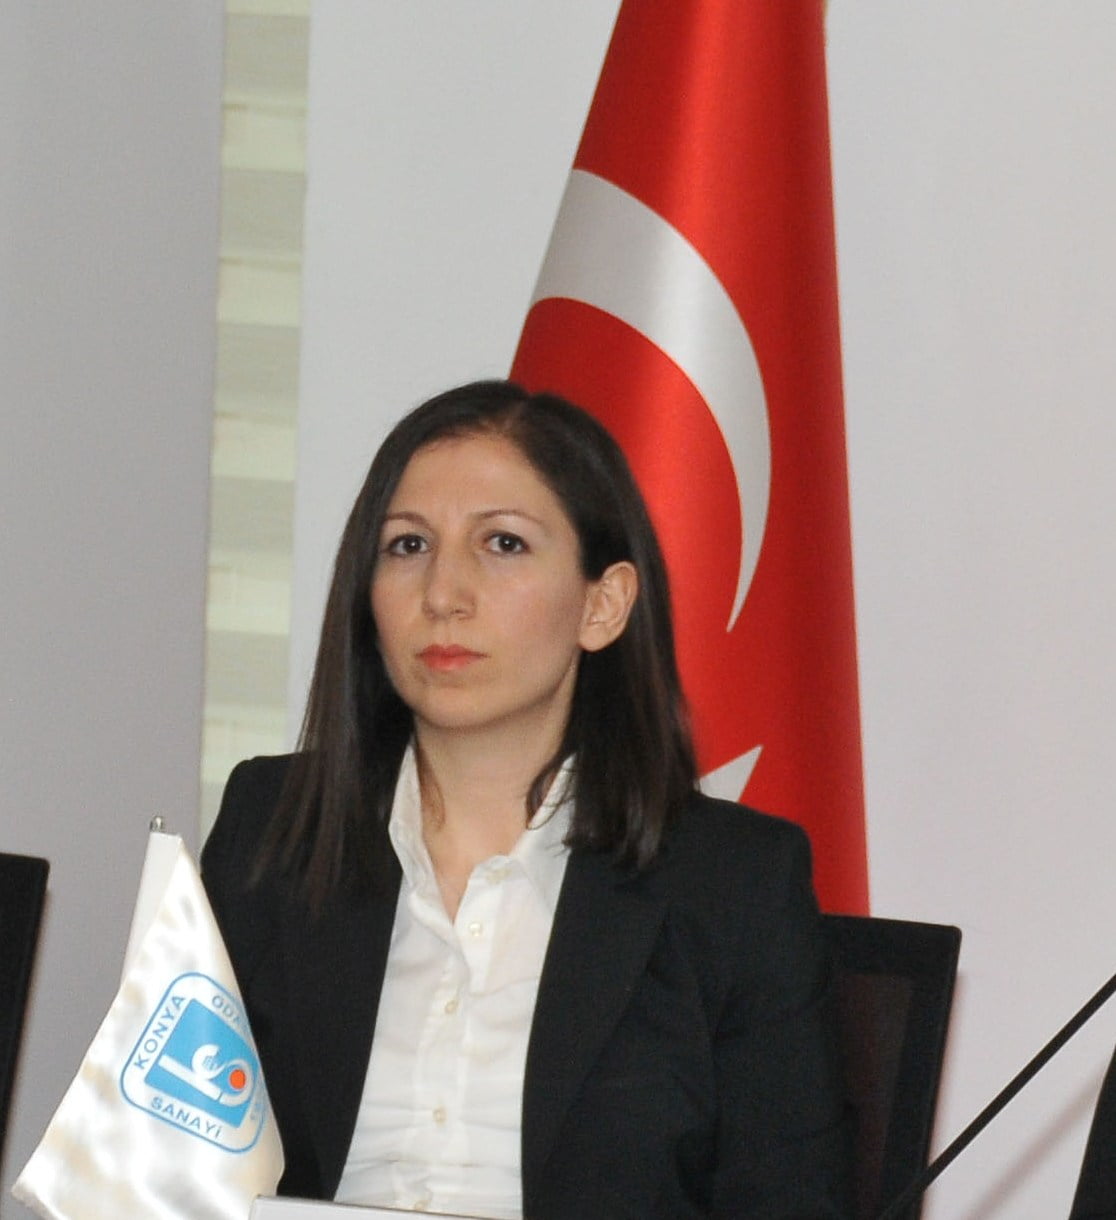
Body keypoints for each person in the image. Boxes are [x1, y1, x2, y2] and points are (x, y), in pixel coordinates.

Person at [202, 379, 851, 1219]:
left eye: (503, 543)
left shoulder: (734, 883)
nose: (443, 594)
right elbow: (162, 1159)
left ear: (602, 605)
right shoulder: (271, 823)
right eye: (407, 545)